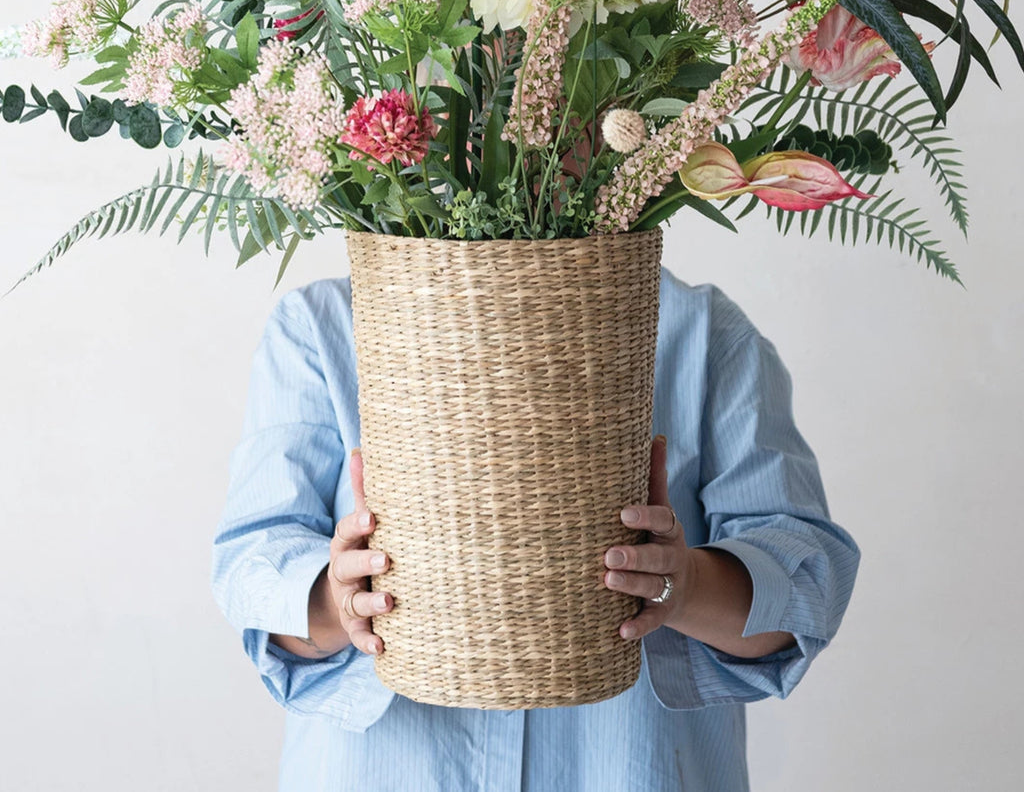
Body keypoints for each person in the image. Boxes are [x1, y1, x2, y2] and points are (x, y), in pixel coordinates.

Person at [212, 267, 860, 792]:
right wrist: (335, 600)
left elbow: (804, 592)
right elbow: (254, 571)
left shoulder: (705, 333)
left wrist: (684, 587)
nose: (509, 118)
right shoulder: (325, 326)